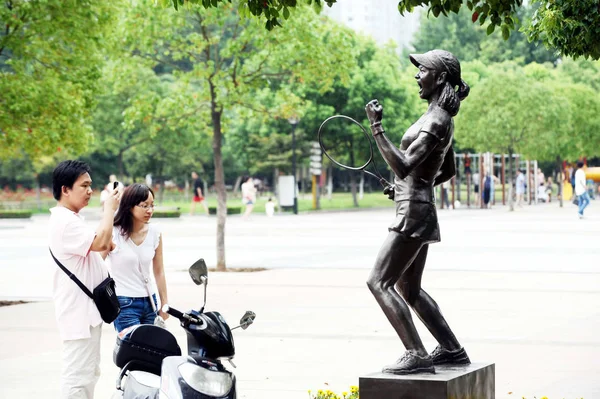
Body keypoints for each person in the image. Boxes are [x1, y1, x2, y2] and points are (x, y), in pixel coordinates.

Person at [364, 49, 470, 375]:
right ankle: (451, 349)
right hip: (417, 206)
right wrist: (408, 187)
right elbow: (446, 170)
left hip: (413, 213)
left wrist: (377, 127)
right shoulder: (437, 117)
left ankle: (416, 352)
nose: (416, 75)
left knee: (378, 282)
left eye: (421, 69)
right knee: (408, 289)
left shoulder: (437, 119)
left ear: (439, 77)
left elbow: (403, 163)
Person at [49, 160, 121, 398]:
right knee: (78, 377)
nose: (90, 191)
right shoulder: (65, 222)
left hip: (86, 312)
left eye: (91, 185)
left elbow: (94, 253)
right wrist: (109, 209)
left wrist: (104, 245)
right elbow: (99, 241)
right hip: (78, 314)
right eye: (84, 185)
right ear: (65, 189)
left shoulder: (71, 219)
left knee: (88, 373)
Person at [105, 183, 170, 332]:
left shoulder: (155, 232)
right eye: (144, 205)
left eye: (152, 205)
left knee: (152, 351)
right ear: (130, 206)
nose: (150, 210)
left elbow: (159, 271)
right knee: (132, 350)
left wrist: (164, 303)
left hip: (150, 302)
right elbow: (96, 264)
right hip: (124, 302)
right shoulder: (113, 233)